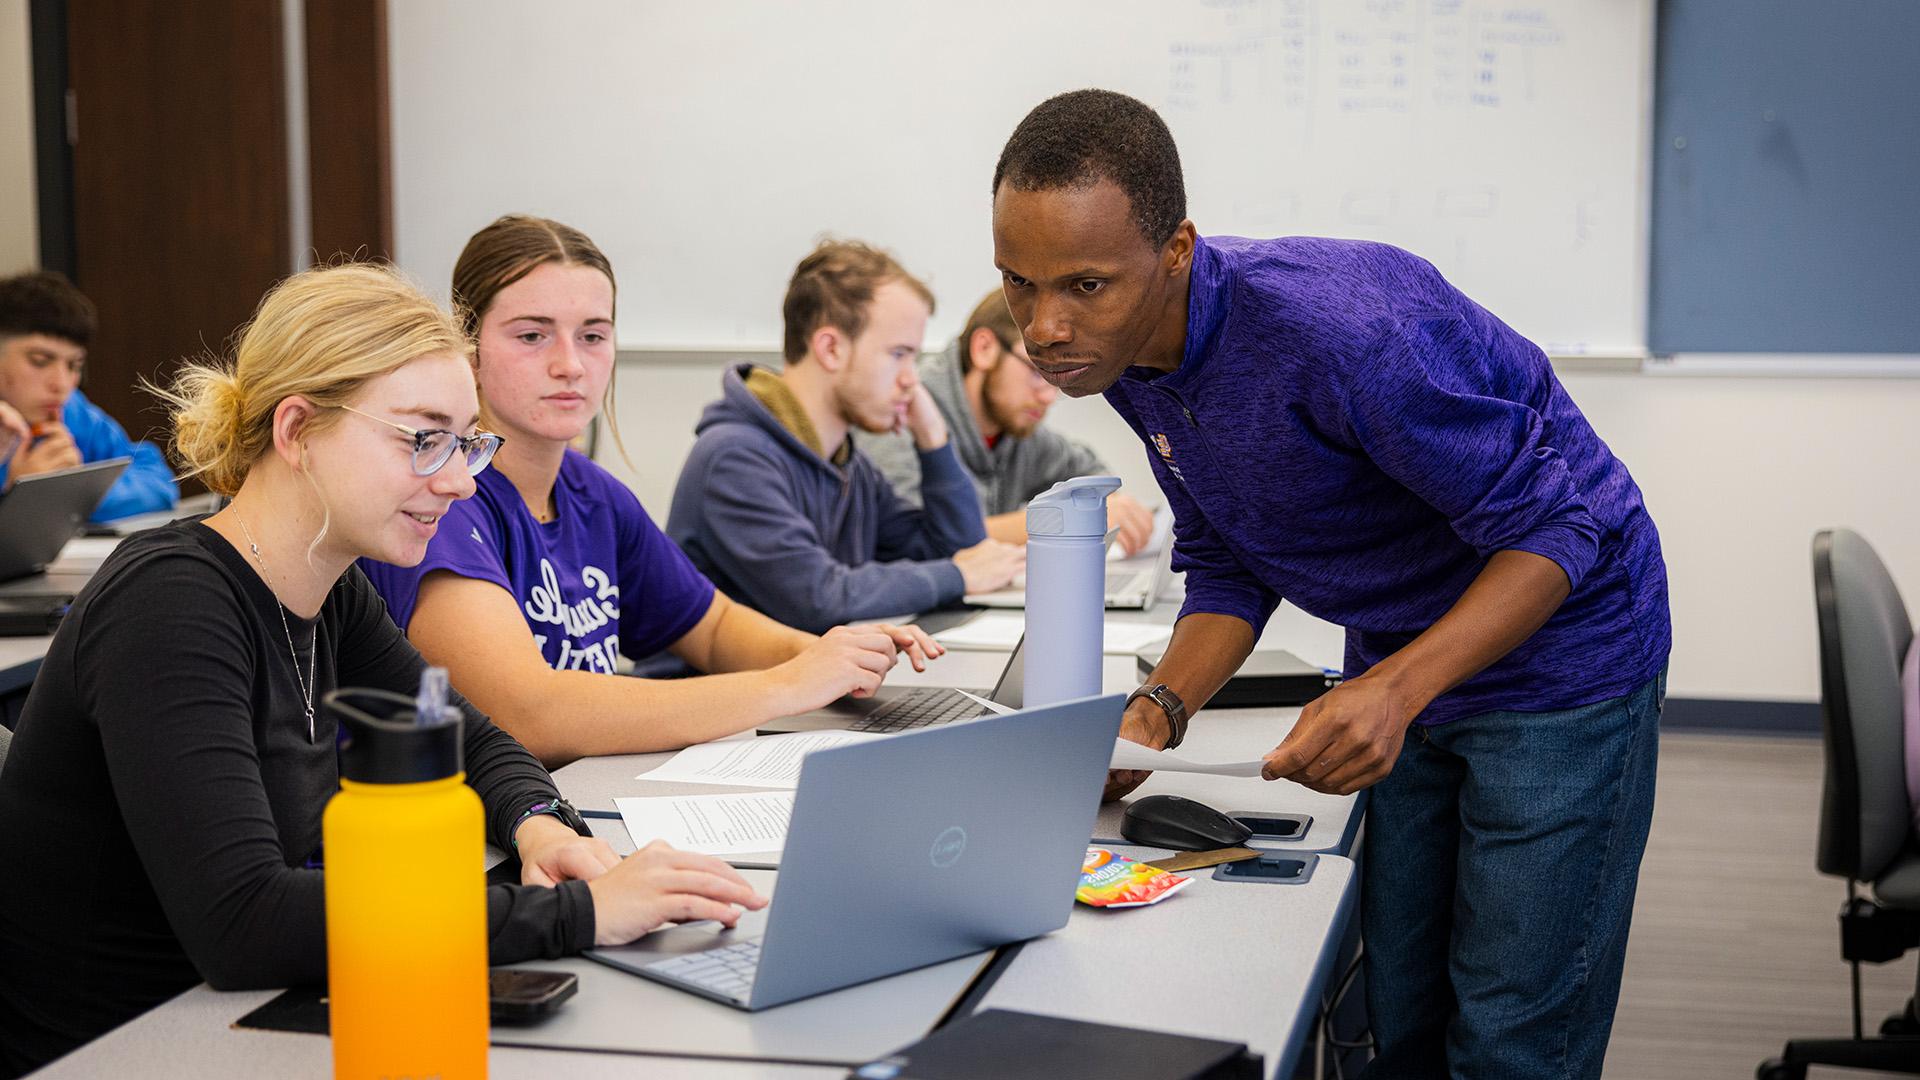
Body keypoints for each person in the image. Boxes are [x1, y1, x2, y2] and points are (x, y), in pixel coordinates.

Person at [990, 90, 1669, 1079]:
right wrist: (1155, 712)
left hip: (1561, 653)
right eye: (1018, 282)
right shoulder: (1125, 351)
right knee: (1399, 1010)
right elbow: (1229, 558)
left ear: (1175, 252)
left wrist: (1395, 689)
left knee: (1512, 1035)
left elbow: (1557, 533)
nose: (1044, 327)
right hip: (1402, 644)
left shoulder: (1347, 334)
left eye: (1083, 286)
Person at [0, 263, 764, 1078]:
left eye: (467, 440)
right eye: (422, 438)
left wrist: (538, 821)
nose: (461, 479)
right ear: (296, 430)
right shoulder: (170, 605)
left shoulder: (332, 590)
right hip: (124, 1052)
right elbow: (244, 923)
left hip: (240, 1026)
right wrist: (574, 912)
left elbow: (477, 742)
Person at [362, 216, 944, 766]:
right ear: (470, 350)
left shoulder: (596, 495)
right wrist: (786, 683)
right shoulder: (442, 499)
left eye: (593, 335)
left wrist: (830, 656)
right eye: (533, 335)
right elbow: (526, 713)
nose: (570, 364)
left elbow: (712, 628)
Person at [667, 240, 1024, 632]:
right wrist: (957, 575)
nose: (911, 379)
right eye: (898, 354)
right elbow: (818, 598)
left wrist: (934, 440)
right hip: (721, 691)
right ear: (831, 348)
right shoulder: (734, 459)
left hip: (811, 684)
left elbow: (959, 551)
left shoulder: (848, 465)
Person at [855, 288, 1156, 555]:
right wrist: (1067, 520)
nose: (1048, 397)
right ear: (984, 349)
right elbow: (918, 540)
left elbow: (1086, 472)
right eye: (1038, 371)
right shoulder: (901, 413)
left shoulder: (1017, 431)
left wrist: (1111, 508)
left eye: (1056, 379)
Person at [0, 269, 180, 520]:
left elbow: (159, 484)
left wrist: (75, 491)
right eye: (40, 361)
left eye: (74, 365)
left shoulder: (72, 411)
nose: (62, 384)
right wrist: (19, 496)